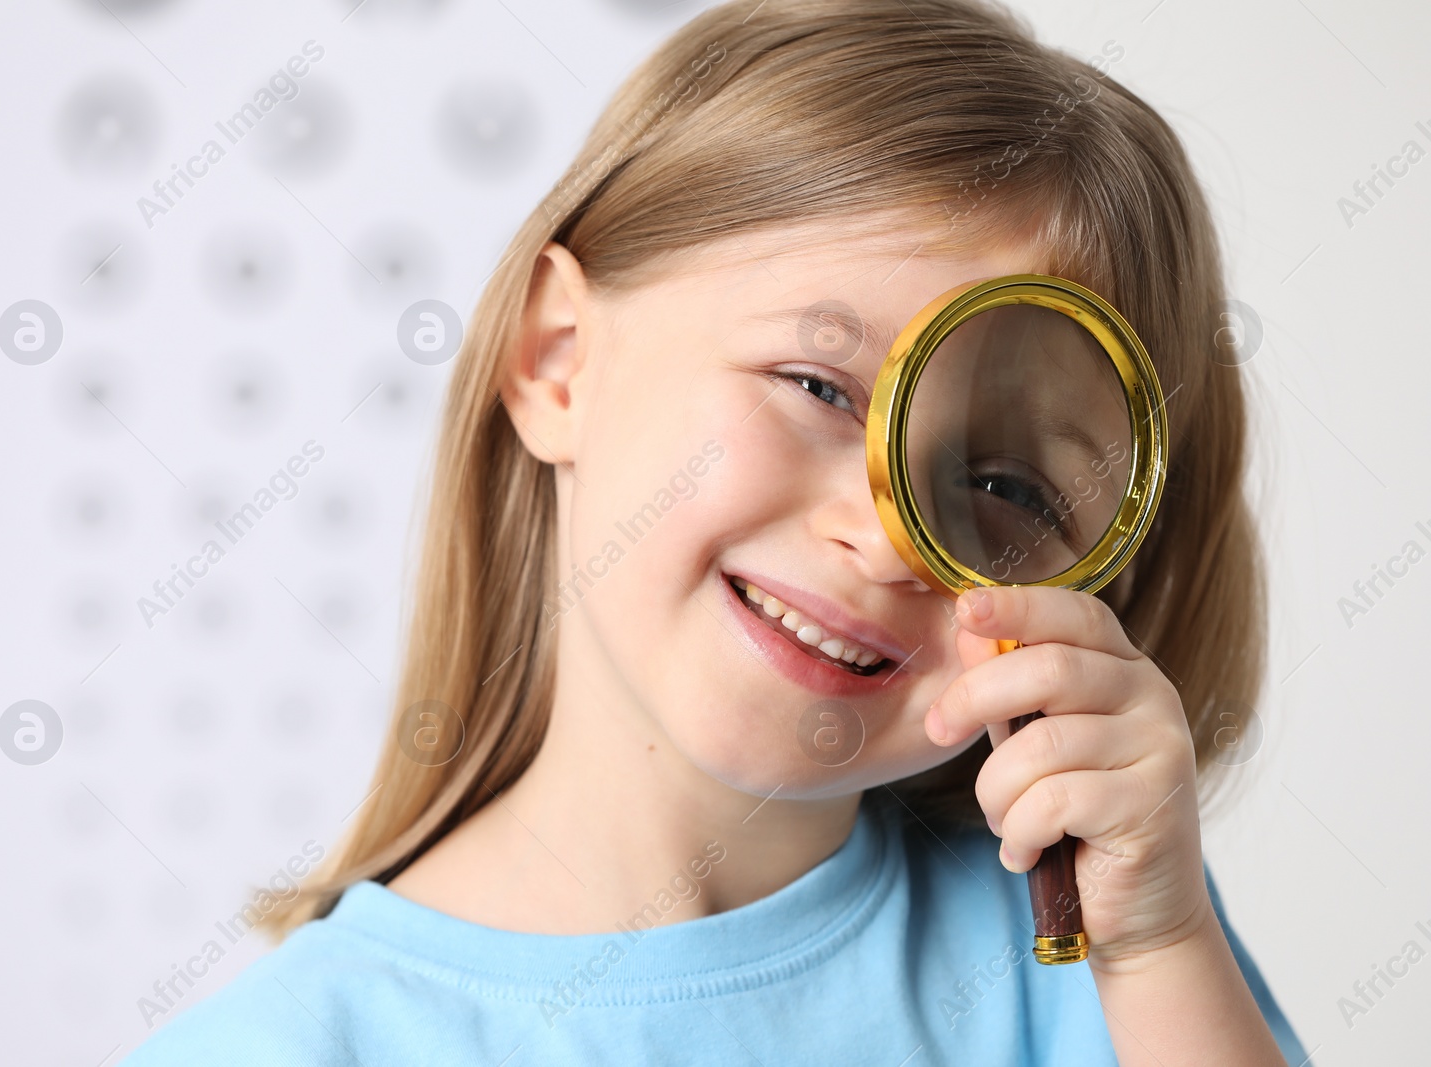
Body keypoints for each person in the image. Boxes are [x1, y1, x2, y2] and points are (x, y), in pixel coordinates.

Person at [126, 0, 1306, 1062]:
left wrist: (1157, 955)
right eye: (818, 386)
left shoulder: (1103, 948)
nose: (889, 538)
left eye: (1005, 486)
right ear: (557, 360)